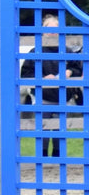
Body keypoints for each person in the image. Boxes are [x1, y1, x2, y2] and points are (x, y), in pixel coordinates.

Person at [20, 14, 84, 157]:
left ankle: (57, 155)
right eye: (50, 28)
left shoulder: (67, 51)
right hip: (43, 97)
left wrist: (69, 72)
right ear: (43, 31)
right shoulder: (36, 51)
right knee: (42, 127)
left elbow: (78, 69)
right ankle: (42, 155)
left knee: (60, 129)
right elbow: (26, 74)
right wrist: (42, 78)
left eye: (56, 28)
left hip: (63, 97)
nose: (53, 31)